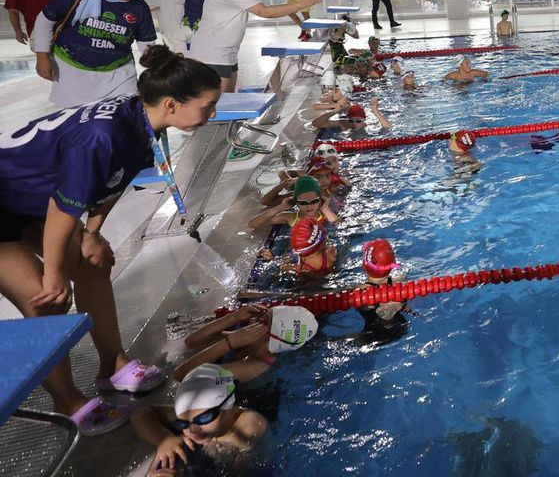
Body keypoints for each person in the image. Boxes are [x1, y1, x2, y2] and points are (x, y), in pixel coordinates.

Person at [0, 46, 221, 433]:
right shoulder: (102, 135)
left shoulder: (140, 121)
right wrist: (55, 274)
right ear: (171, 104)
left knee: (94, 263)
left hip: (28, 199)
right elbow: (61, 209)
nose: (212, 114)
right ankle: (68, 402)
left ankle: (113, 366)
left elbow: (112, 182)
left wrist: (92, 234)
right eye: (208, 106)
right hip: (13, 202)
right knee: (44, 297)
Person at [188, 0, 324, 92]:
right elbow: (264, 12)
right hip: (212, 54)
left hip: (226, 53)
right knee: (219, 102)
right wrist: (301, 4)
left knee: (228, 100)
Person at [31, 0, 158, 107]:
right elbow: (45, 21)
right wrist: (42, 58)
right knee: (78, 116)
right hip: (71, 71)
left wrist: (157, 68)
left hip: (118, 74)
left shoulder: (139, 7)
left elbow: (146, 43)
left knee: (127, 112)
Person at [130, 364, 268, 474]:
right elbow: (141, 414)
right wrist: (163, 439)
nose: (192, 430)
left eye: (204, 418)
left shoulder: (250, 423)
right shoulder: (193, 415)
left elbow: (239, 471)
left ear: (226, 407)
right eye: (183, 423)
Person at [172, 304, 317, 384]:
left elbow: (182, 376)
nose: (253, 319)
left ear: (271, 340)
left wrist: (228, 344)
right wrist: (232, 318)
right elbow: (192, 342)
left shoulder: (255, 367)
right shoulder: (249, 343)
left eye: (262, 320)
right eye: (262, 313)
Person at [248, 175, 340, 230]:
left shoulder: (326, 215)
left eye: (314, 201)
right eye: (303, 203)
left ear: (321, 199)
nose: (309, 206)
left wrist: (326, 209)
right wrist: (279, 208)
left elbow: (340, 225)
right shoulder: (290, 218)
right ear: (295, 201)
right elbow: (252, 224)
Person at [358, 239, 408, 333]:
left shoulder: (361, 290)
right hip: (401, 325)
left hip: (375, 331)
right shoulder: (400, 280)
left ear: (364, 265)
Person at [311, 98, 391, 133]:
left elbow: (388, 127)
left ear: (364, 120)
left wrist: (375, 111)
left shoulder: (369, 125)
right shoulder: (343, 124)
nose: (354, 123)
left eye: (358, 121)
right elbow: (315, 124)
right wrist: (334, 111)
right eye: (350, 120)